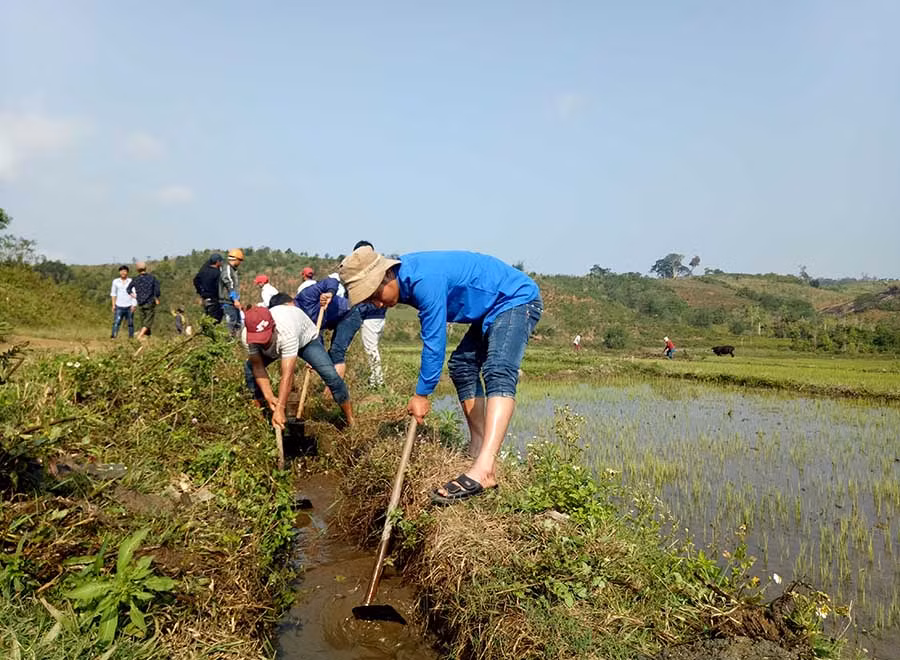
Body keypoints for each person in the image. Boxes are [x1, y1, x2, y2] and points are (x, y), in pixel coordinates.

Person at [339, 247, 542, 505]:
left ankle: (486, 468)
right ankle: (479, 449)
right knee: (462, 365)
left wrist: (422, 394)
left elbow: (434, 341)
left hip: (515, 299)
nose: (377, 304)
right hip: (491, 308)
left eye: (376, 294)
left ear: (388, 274)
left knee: (498, 369)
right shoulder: (407, 281)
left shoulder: (424, 281)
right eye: (370, 301)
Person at [242, 293, 354, 429]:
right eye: (259, 339)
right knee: (249, 370)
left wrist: (281, 407)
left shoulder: (286, 331)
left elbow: (287, 375)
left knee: (331, 376)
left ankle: (350, 420)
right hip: (280, 342)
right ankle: (260, 417)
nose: (262, 343)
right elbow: (258, 367)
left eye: (265, 338)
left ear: (273, 327)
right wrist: (269, 396)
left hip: (305, 339)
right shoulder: (248, 336)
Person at [294, 275, 362, 385]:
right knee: (328, 356)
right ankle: (331, 392)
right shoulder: (297, 321)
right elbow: (316, 335)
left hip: (348, 315)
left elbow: (332, 281)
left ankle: (335, 394)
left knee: (336, 352)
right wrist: (313, 358)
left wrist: (329, 293)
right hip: (333, 320)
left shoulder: (306, 297)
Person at [352, 240, 387, 388]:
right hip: (378, 316)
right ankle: (376, 379)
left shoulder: (369, 272)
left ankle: (377, 382)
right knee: (372, 348)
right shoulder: (379, 269)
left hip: (371, 317)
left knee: (371, 349)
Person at [127, 261, 161, 340]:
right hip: (150, 302)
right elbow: (157, 290)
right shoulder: (152, 278)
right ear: (146, 268)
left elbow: (128, 289)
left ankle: (146, 339)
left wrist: (134, 296)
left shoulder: (136, 279)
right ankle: (140, 336)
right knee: (148, 321)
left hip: (140, 302)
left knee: (143, 321)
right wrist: (156, 298)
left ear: (137, 270)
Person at [193, 253, 224, 321]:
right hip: (214, 300)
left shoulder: (203, 271)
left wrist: (200, 291)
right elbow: (218, 287)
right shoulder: (217, 273)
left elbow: (195, 281)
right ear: (217, 262)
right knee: (215, 320)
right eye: (221, 261)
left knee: (208, 319)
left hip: (205, 299)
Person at [220, 248, 244, 336]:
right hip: (228, 302)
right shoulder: (227, 269)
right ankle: (227, 344)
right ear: (236, 259)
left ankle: (235, 344)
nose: (240, 263)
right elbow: (229, 284)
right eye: (240, 260)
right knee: (230, 324)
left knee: (238, 324)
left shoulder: (232, 270)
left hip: (232, 302)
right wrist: (235, 299)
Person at [110, 265, 135, 339]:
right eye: (121, 271)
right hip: (119, 305)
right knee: (117, 322)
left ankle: (131, 338)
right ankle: (113, 337)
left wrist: (134, 305)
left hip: (129, 305)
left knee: (130, 323)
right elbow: (113, 293)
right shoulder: (115, 281)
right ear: (119, 272)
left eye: (125, 271)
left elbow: (134, 293)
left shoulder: (131, 281)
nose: (123, 272)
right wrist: (113, 305)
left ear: (127, 272)